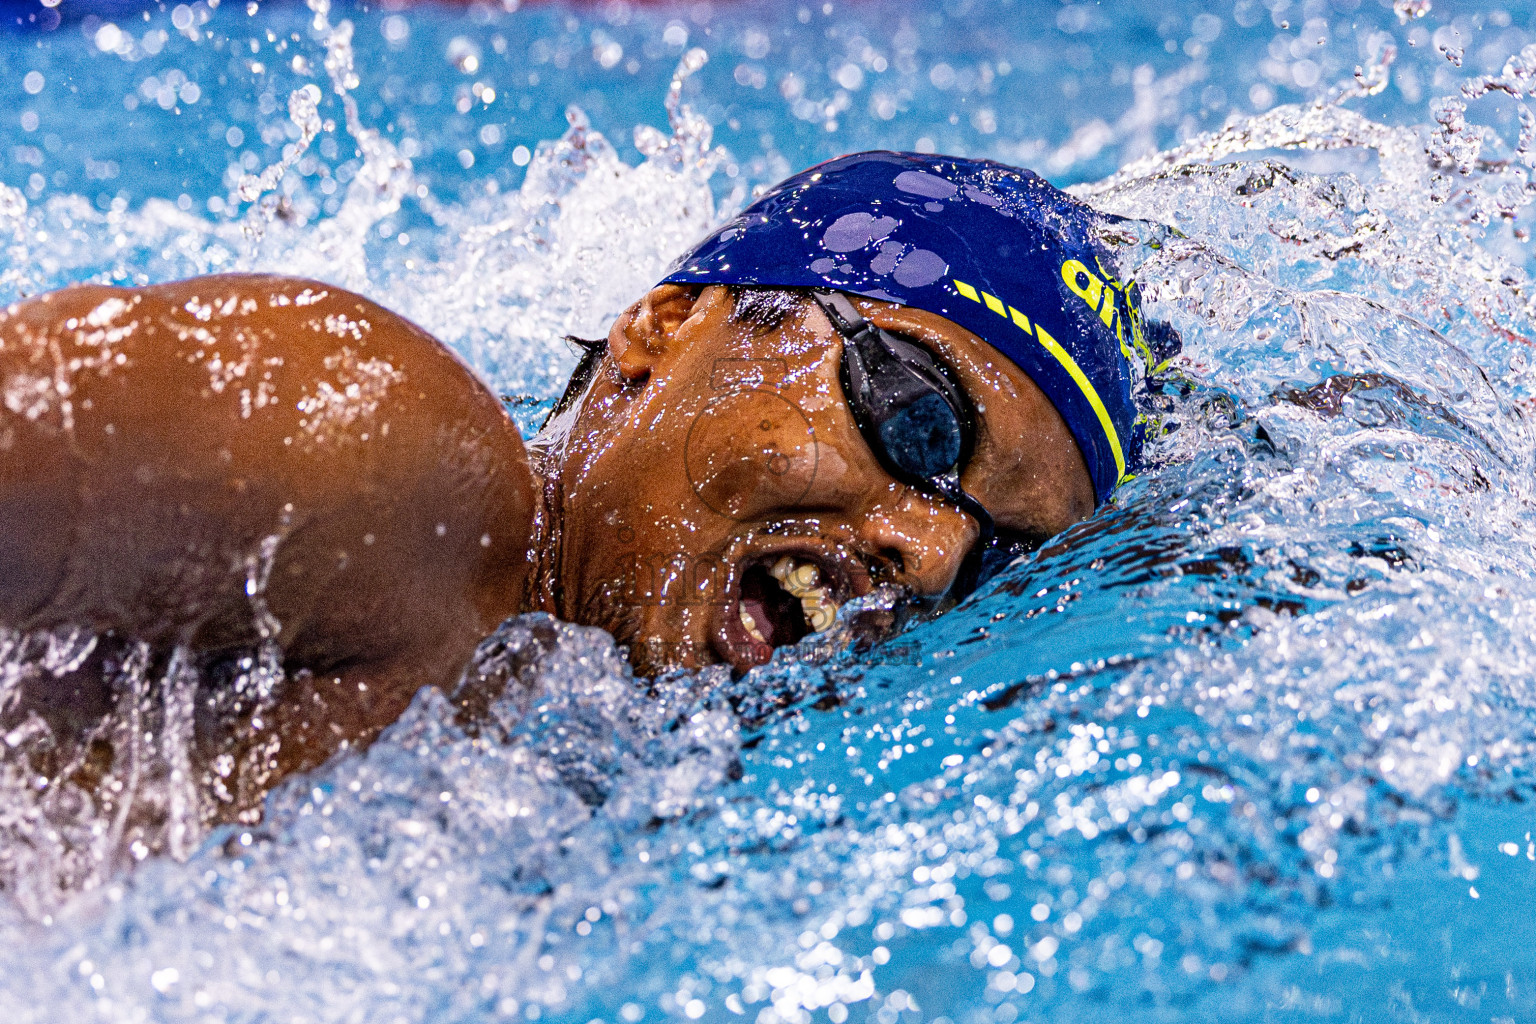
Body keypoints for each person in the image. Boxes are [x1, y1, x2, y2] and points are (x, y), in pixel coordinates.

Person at [0, 151, 1166, 825]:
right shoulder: (398, 469)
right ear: (665, 327)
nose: (934, 552)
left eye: (1000, 554)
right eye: (922, 416)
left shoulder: (594, 769)